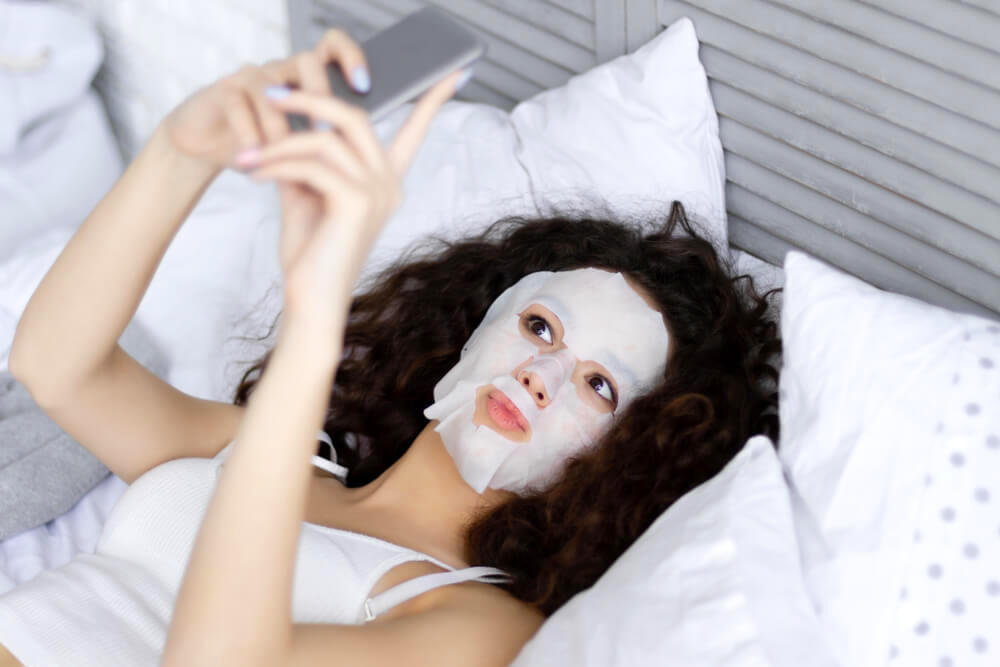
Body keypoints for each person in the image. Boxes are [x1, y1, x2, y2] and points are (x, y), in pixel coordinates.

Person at [0, 28, 781, 667]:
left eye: (599, 385)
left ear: (629, 460)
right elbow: (57, 366)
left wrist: (312, 330)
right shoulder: (283, 450)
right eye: (542, 327)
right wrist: (182, 152)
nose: (540, 375)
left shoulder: (477, 623)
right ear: (479, 321)